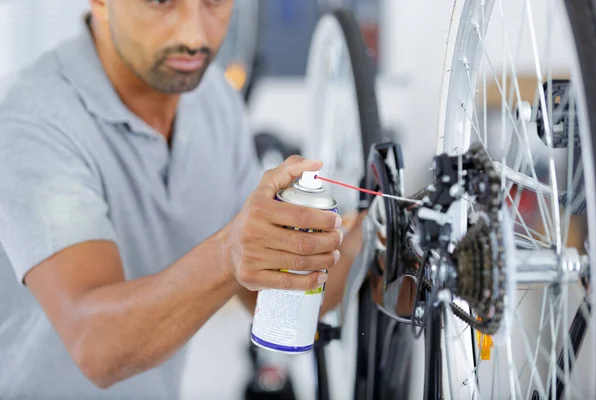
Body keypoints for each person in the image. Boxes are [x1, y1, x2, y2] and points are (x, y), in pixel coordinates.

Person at [0, 1, 364, 398]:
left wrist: (354, 250)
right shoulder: (32, 120)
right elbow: (97, 347)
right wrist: (230, 251)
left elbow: (265, 294)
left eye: (214, 2)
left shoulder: (214, 101)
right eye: (161, 2)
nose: (195, 37)